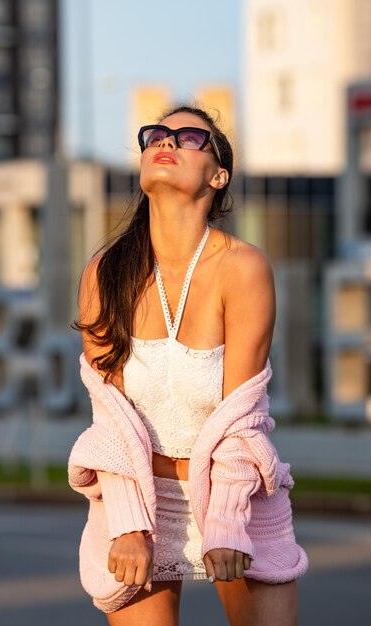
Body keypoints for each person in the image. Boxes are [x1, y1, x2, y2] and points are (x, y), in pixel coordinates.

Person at [72, 104, 306, 626]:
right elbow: (109, 417)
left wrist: (224, 521)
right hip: (137, 495)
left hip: (233, 488)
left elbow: (240, 415)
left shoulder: (243, 268)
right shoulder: (105, 272)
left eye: (188, 138)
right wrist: (130, 525)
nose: (167, 141)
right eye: (156, 134)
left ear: (218, 176)